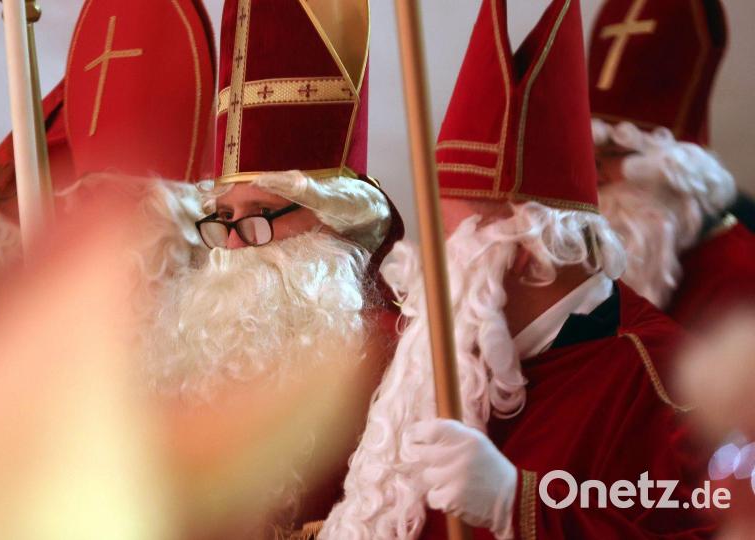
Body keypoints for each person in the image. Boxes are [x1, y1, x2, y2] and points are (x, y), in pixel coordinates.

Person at [322, 1, 716, 538]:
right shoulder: (457, 361)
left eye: (449, 235)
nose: (427, 258)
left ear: (527, 249)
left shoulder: (668, 384)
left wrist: (519, 505)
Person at [141, 0, 404, 537]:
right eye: (224, 218)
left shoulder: (392, 354)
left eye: (262, 216)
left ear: (335, 221)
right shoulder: (202, 342)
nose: (236, 243)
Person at [588, 0, 755, 326]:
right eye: (588, 151)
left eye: (616, 153)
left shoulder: (741, 283)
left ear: (680, 171)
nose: (595, 176)